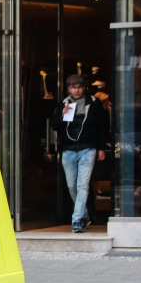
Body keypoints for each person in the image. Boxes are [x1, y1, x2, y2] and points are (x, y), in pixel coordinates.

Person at [50, 74, 110, 233]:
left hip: (87, 148)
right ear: (69, 89)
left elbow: (102, 126)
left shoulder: (94, 103)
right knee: (72, 186)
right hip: (69, 149)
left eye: (79, 87)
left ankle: (76, 220)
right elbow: (55, 126)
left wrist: (101, 148)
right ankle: (84, 215)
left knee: (82, 185)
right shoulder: (64, 103)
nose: (76, 90)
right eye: (73, 87)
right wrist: (62, 115)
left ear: (84, 88)